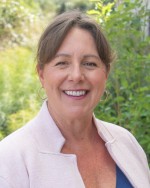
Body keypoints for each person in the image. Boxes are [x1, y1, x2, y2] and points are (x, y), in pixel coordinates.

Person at [0, 10, 149, 188]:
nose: (76, 76)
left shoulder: (126, 142)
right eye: (62, 63)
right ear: (41, 74)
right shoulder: (10, 159)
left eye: (89, 63)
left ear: (106, 73)